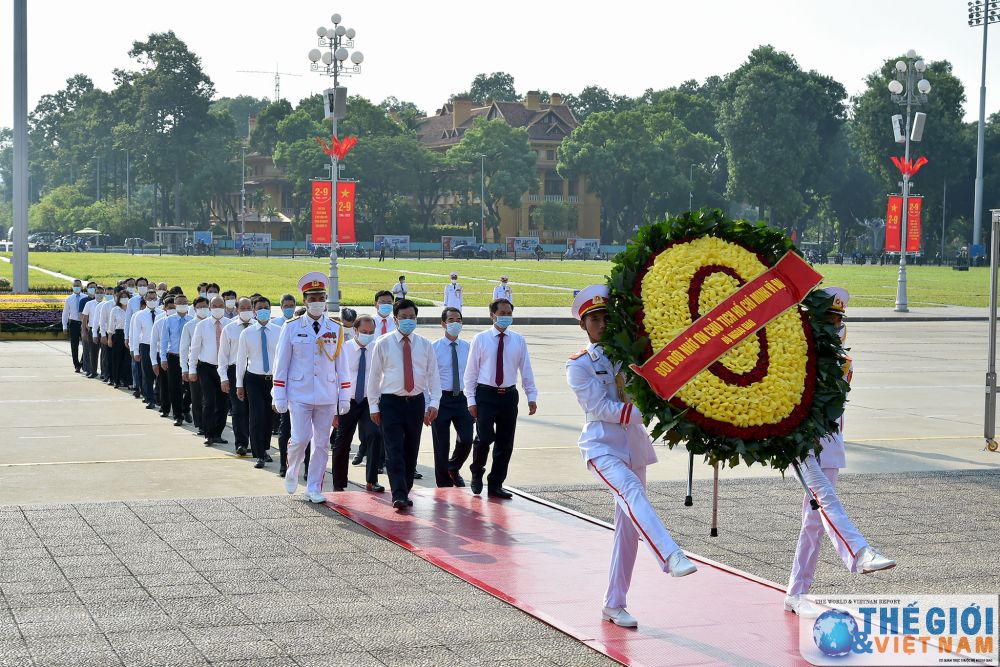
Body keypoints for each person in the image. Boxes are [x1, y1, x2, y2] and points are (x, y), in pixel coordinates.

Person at [566, 285, 697, 629]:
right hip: (602, 447)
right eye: (594, 319)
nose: (601, 324)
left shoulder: (630, 354)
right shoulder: (579, 366)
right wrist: (648, 409)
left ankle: (614, 603)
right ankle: (670, 555)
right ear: (584, 325)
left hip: (634, 447)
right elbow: (600, 408)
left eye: (605, 317)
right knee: (631, 493)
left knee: (627, 530)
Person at [784, 287, 896, 618]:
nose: (835, 326)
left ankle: (796, 592)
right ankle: (859, 552)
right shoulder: (795, 354)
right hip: (801, 442)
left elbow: (835, 407)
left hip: (829, 443)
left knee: (814, 520)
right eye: (829, 320)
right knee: (824, 502)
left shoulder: (843, 362)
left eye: (838, 320)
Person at [272, 272, 351, 503]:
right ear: (305, 300)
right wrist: (279, 394)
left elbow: (342, 365)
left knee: (321, 443)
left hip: (327, 394)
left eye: (321, 297)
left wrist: (343, 396)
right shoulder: (292, 326)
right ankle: (292, 467)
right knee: (300, 438)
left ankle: (314, 486)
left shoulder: (335, 328)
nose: (317, 302)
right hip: (299, 393)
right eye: (312, 297)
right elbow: (281, 363)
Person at [367, 298, 440, 509]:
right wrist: (374, 406)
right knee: (394, 449)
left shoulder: (425, 345)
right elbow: (373, 378)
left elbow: (433, 376)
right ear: (395, 319)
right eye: (404, 317)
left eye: (412, 317)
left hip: (415, 403)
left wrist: (433, 403)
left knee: (411, 449)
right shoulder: (383, 343)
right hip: (391, 403)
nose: (408, 321)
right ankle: (398, 493)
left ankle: (405, 489)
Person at [463, 298, 536, 498]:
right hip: (486, 394)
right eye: (502, 313)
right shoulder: (481, 339)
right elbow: (470, 372)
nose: (506, 317)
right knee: (484, 438)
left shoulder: (518, 340)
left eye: (509, 313)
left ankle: (496, 484)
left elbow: (526, 369)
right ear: (492, 315)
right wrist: (471, 400)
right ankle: (477, 471)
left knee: (505, 443)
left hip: (509, 396)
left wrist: (531, 395)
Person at [331, 315, 384, 493]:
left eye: (371, 332)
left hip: (370, 401)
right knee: (342, 441)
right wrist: (334, 409)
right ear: (355, 330)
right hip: (348, 400)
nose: (367, 335)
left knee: (374, 435)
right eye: (364, 332)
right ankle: (339, 483)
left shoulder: (377, 349)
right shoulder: (343, 349)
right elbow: (334, 378)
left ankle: (372, 480)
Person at [430, 307, 474, 487]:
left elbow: (473, 375)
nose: (455, 323)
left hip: (462, 399)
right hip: (441, 400)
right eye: (451, 320)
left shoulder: (468, 347)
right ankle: (444, 484)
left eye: (458, 320)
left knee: (466, 439)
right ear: (443, 323)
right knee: (441, 446)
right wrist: (429, 403)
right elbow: (428, 377)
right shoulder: (434, 348)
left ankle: (453, 467)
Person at [237, 296, 280, 470]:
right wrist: (239, 384)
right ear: (254, 312)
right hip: (254, 379)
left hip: (273, 380)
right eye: (260, 308)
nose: (263, 310)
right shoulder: (247, 333)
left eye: (266, 307)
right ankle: (259, 454)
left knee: (269, 418)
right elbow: (240, 360)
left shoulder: (278, 331)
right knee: (256, 416)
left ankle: (265, 448)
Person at [188, 296, 231, 447]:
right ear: (210, 307)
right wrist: (191, 369)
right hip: (206, 368)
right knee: (209, 401)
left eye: (221, 305)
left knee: (223, 403)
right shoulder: (202, 325)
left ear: (225, 307)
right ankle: (208, 433)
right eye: (214, 305)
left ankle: (217, 433)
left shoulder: (230, 325)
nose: (218, 308)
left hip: (224, 369)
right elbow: (194, 349)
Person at [219, 297, 254, 456]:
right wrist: (224, 377)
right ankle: (241, 443)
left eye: (249, 308)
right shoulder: (229, 328)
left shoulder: (258, 327)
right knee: (239, 410)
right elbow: (223, 355)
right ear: (237, 310)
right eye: (243, 308)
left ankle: (257, 444)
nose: (246, 310)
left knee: (255, 410)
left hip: (255, 372)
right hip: (235, 372)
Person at [161, 294, 192, 426]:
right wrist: (163, 358)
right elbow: (164, 340)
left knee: (191, 387)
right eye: (179, 302)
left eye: (184, 302)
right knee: (175, 387)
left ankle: (185, 407)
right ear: (175, 304)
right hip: (174, 357)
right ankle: (178, 415)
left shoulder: (192, 320)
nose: (182, 304)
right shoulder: (168, 320)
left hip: (190, 358)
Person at [181, 297, 209, 436]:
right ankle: (201, 425)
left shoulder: (213, 324)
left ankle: (210, 424)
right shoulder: (189, 326)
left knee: (210, 398)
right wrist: (185, 369)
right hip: (195, 365)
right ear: (195, 308)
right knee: (197, 397)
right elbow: (184, 348)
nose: (203, 309)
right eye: (200, 307)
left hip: (212, 365)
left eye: (205, 306)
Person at [129, 290, 159, 409]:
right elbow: (135, 334)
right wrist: (135, 351)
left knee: (160, 374)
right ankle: (149, 398)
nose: (152, 301)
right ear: (145, 300)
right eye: (150, 299)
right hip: (146, 346)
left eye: (154, 299)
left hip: (158, 347)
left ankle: (158, 396)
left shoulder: (162, 313)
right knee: (147, 373)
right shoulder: (139, 315)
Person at [62, 278, 87, 373]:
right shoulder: (69, 299)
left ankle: (82, 362)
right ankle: (76, 365)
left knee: (86, 344)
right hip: (73, 323)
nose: (77, 287)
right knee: (74, 345)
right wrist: (64, 326)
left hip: (83, 324)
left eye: (78, 285)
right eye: (75, 285)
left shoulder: (85, 297)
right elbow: (65, 313)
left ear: (81, 287)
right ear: (72, 287)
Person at [108, 287, 131, 388]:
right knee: (117, 358)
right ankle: (116, 380)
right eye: (122, 297)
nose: (124, 299)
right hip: (118, 335)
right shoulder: (115, 310)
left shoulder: (132, 310)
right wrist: (109, 338)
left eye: (126, 297)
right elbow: (111, 325)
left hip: (130, 335)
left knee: (127, 359)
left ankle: (127, 381)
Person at [82, 285, 105, 378]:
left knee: (104, 353)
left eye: (101, 293)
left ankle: (104, 373)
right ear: (94, 293)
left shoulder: (106, 304)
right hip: (92, 329)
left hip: (103, 330)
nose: (99, 295)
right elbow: (84, 317)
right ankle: (93, 371)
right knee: (92, 352)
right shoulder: (89, 303)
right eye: (97, 293)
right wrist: (84, 331)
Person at [78, 281, 97, 377]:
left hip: (97, 329)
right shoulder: (84, 301)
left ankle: (94, 369)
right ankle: (87, 369)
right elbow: (82, 316)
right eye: (91, 287)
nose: (93, 289)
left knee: (94, 352)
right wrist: (85, 328)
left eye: (95, 288)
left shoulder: (101, 301)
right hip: (87, 328)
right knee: (87, 350)